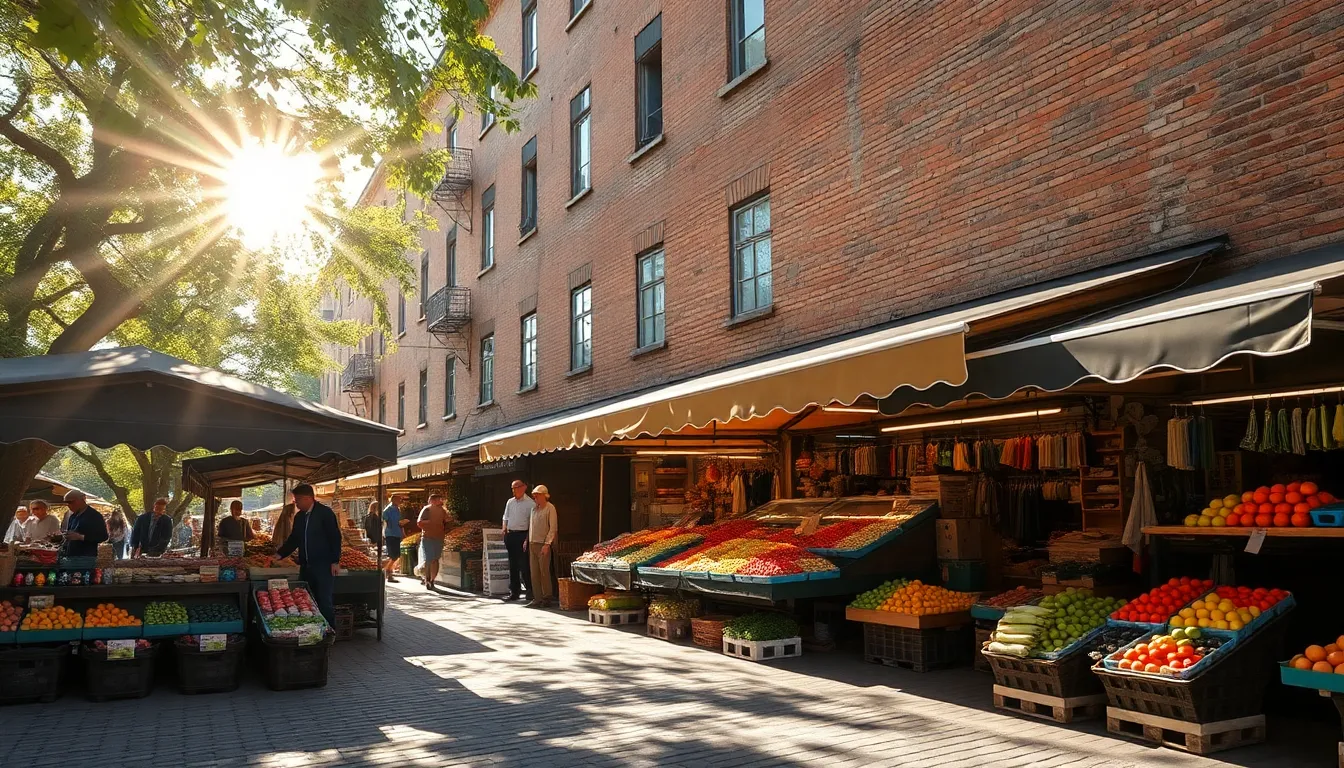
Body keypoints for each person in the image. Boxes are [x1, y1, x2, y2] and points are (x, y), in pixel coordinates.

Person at [274, 484, 342, 627]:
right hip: (305, 566)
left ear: (307, 498)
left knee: (324, 601)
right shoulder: (300, 517)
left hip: (323, 566)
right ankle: (309, 630)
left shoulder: (325, 513)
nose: (296, 504)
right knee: (305, 599)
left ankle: (329, 631)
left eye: (297, 500)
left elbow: (335, 537)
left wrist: (335, 561)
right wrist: (280, 554)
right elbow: (294, 539)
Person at [501, 479, 536, 602]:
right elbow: (505, 516)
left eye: (516, 487)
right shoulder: (510, 502)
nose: (514, 490)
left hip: (523, 535)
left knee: (524, 564)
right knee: (513, 564)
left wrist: (527, 539)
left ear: (523, 487)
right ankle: (514, 591)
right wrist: (504, 527)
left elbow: (532, 523)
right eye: (512, 488)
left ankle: (530, 590)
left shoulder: (530, 503)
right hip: (511, 534)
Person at [525, 484, 559, 608]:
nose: (535, 498)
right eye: (534, 496)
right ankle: (537, 598)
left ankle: (547, 597)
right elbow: (531, 526)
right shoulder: (533, 509)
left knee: (544, 571)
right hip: (532, 543)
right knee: (534, 573)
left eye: (537, 496)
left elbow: (553, 528)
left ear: (545, 496)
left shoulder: (550, 508)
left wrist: (547, 544)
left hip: (542, 544)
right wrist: (527, 540)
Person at [417, 494, 450, 590]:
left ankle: (432, 580)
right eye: (439, 499)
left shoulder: (442, 510)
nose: (441, 501)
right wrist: (429, 524)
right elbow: (419, 523)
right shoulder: (427, 509)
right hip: (428, 537)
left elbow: (447, 520)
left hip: (438, 537)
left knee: (435, 559)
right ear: (433, 500)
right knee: (429, 559)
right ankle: (428, 580)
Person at [60, 490, 107, 557]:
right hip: (71, 556)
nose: (68, 505)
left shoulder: (94, 515)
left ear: (82, 500)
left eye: (71, 502)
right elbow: (69, 535)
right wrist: (59, 537)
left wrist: (81, 537)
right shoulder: (73, 516)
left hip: (86, 557)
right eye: (66, 503)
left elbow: (103, 536)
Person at [381, 494, 403, 583]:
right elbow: (385, 522)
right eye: (399, 499)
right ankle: (387, 571)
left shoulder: (397, 509)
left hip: (397, 533)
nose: (400, 501)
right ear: (393, 500)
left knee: (396, 555)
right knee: (393, 555)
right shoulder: (387, 510)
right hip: (391, 534)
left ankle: (389, 572)